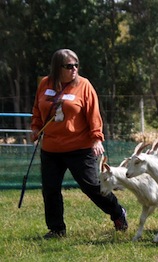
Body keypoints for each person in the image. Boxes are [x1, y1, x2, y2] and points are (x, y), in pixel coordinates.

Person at [31, 49, 128, 239]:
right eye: (69, 66)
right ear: (57, 68)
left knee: (92, 186)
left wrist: (96, 138)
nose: (74, 69)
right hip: (51, 148)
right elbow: (37, 109)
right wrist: (35, 128)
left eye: (76, 65)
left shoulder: (84, 86)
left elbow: (93, 114)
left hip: (80, 148)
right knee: (50, 189)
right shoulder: (45, 84)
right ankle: (57, 229)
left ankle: (117, 212)